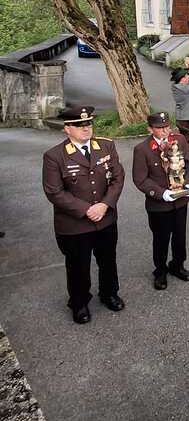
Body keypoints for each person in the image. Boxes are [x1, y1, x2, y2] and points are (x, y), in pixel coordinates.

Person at [42, 105, 125, 324]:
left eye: (88, 123)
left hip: (105, 218)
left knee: (108, 260)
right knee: (78, 266)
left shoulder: (106, 146)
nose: (86, 128)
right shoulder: (54, 156)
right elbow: (54, 192)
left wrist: (105, 205)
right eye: (79, 125)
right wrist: (86, 209)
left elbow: (117, 178)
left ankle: (109, 293)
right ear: (67, 129)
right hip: (75, 224)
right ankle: (79, 303)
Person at [132, 111, 189, 290]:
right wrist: (161, 193)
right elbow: (140, 179)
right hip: (159, 205)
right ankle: (160, 271)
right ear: (150, 129)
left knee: (180, 236)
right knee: (161, 238)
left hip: (180, 200)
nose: (165, 130)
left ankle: (178, 265)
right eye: (160, 128)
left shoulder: (179, 140)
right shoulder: (143, 149)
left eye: (167, 126)